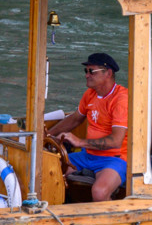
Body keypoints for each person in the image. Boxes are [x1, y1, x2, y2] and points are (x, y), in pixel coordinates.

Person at [50, 52, 129, 200]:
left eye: (91, 71)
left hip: (115, 158)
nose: (87, 75)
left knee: (99, 192)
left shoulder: (121, 99)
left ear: (108, 73)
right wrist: (47, 135)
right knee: (47, 171)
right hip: (87, 155)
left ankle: (110, 221)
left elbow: (116, 141)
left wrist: (79, 142)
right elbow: (74, 120)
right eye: (85, 71)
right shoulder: (90, 94)